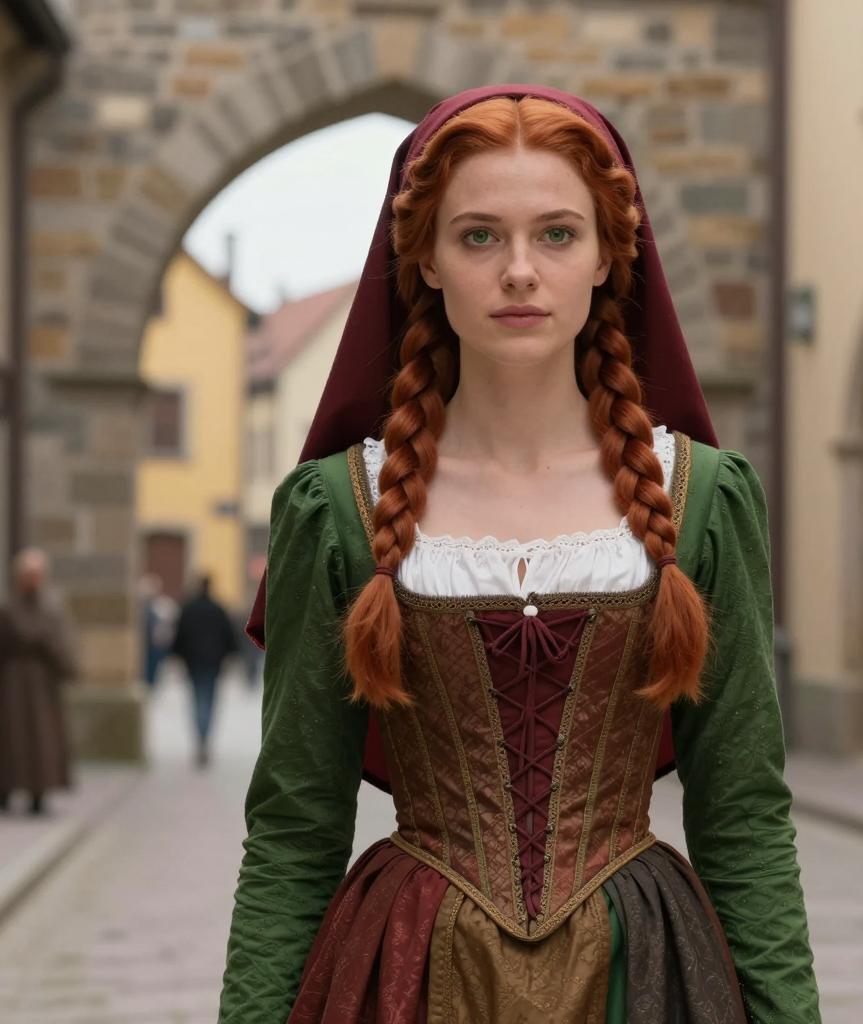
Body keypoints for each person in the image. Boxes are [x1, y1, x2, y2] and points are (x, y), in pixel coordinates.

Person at [218, 86, 822, 1024]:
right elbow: (295, 829)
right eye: (478, 237)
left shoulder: (700, 499)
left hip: (644, 972)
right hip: (407, 974)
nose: (519, 273)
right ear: (422, 257)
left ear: (608, 257)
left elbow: (743, 817)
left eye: (555, 234)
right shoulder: (340, 508)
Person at [0, 548, 78, 816]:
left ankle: (38, 792)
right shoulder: (8, 608)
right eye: (27, 575)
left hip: (41, 685)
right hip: (11, 685)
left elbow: (63, 644)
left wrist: (65, 664)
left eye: (36, 575)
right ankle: (6, 788)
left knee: (40, 738)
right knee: (11, 738)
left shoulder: (51, 609)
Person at [170, 574, 238, 768]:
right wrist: (229, 656)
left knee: (197, 699)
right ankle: (205, 738)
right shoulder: (218, 609)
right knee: (209, 699)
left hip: (193, 661)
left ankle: (200, 739)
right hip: (213, 662)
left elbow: (179, 634)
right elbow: (229, 636)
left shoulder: (188, 609)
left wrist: (177, 656)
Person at [138, 572, 179, 688]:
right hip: (144, 646)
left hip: (157, 646)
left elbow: (170, 625)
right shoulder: (139, 606)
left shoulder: (163, 605)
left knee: (153, 671)